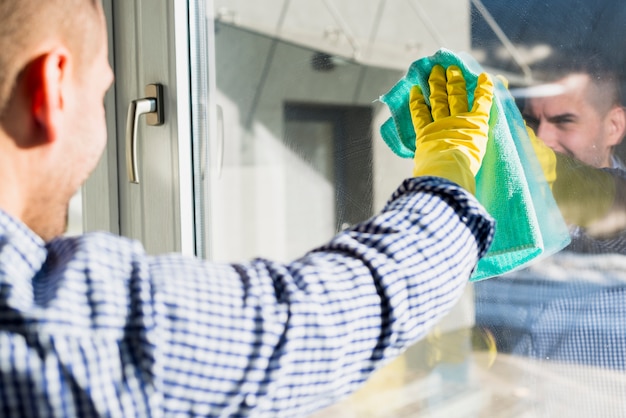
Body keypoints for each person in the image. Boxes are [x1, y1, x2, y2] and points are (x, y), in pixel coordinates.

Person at [0, 1, 498, 416]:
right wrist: (447, 167)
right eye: (103, 94)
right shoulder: (60, 331)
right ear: (51, 90)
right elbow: (314, 321)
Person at [475, 51, 626, 373]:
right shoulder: (501, 208)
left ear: (613, 126)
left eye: (563, 121)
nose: (542, 137)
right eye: (530, 121)